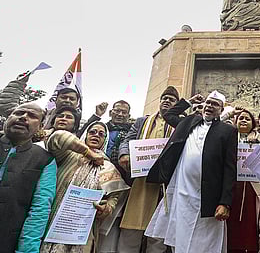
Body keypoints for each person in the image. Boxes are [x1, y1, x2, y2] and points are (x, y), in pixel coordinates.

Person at [144, 91, 237, 253]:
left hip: (208, 196)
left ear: (221, 110)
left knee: (204, 241)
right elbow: (169, 114)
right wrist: (188, 101)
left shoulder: (228, 131)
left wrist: (225, 202)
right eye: (208, 102)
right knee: (178, 235)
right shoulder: (188, 122)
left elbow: (230, 169)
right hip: (181, 191)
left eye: (215, 104)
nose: (209, 106)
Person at [41, 121, 130, 253]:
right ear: (85, 135)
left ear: (105, 141)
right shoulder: (67, 154)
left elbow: (114, 197)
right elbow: (58, 137)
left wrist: (106, 209)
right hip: (53, 219)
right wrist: (88, 153)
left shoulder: (108, 167)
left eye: (101, 134)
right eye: (92, 132)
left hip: (82, 229)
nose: (96, 135)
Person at [117, 86, 179, 253]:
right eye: (164, 98)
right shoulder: (142, 121)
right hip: (141, 182)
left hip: (165, 183)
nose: (166, 101)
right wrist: (124, 154)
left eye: (171, 99)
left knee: (158, 233)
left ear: (177, 105)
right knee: (132, 226)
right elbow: (128, 140)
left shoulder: (181, 124)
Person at [0, 103, 57, 253]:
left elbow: (40, 208)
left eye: (32, 116)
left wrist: (27, 250)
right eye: (19, 113)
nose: (23, 117)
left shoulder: (45, 159)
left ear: (40, 127)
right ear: (7, 118)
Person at [227, 108, 260, 253]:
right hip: (233, 187)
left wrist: (256, 146)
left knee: (250, 224)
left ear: (253, 123)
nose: (244, 120)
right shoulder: (228, 138)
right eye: (241, 118)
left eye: (247, 118)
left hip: (253, 189)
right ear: (235, 121)